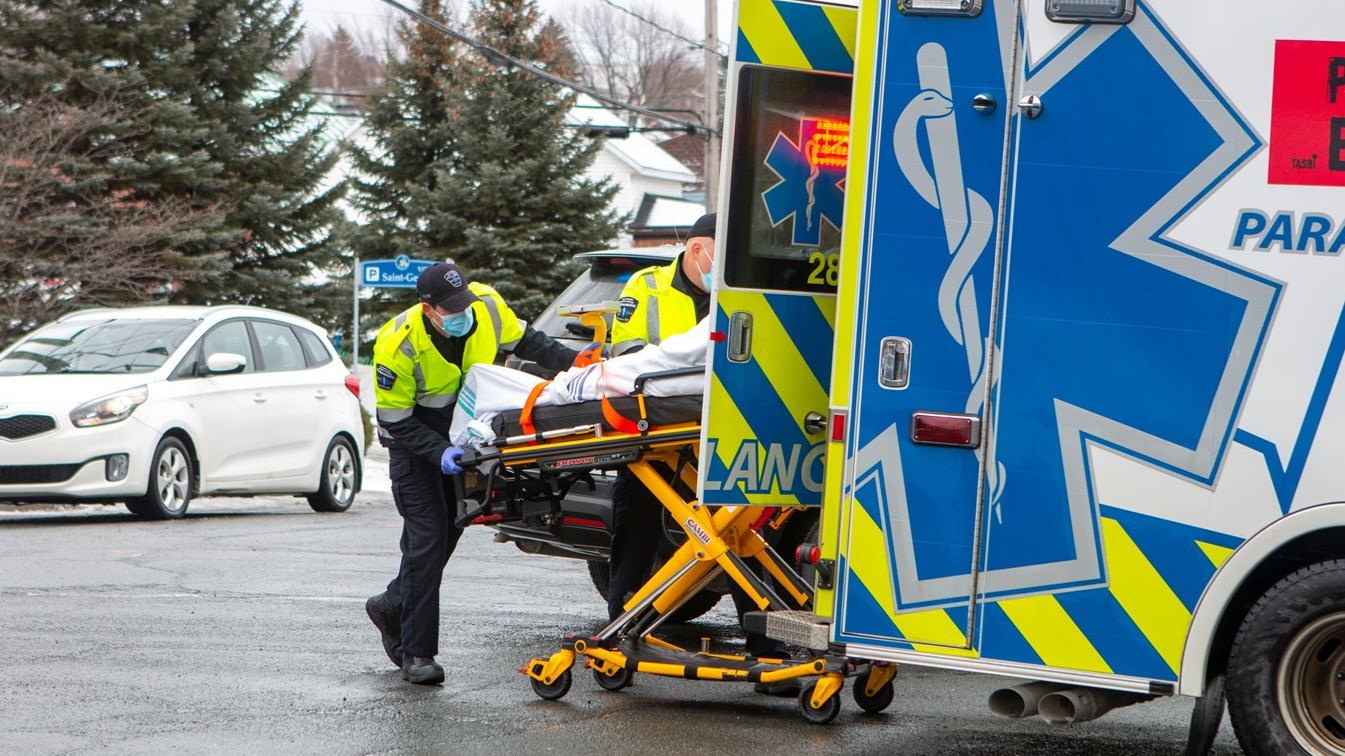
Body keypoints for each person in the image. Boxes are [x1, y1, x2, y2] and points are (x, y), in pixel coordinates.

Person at [605, 213, 795, 693]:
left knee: (736, 531)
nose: (724, 266)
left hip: (719, 431)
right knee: (636, 530)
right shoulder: (646, 287)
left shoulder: (738, 291)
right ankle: (618, 635)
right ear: (697, 250)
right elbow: (628, 356)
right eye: (720, 254)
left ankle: (766, 650)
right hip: (654, 432)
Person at [365, 261, 578, 685]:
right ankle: (418, 654)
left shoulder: (486, 306)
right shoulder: (398, 345)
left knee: (448, 532)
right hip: (415, 446)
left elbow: (532, 343)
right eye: (452, 309)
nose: (463, 313)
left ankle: (392, 604)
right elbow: (394, 421)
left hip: (464, 439)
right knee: (427, 540)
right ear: (429, 310)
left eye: (464, 303)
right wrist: (438, 450)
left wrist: (581, 366)